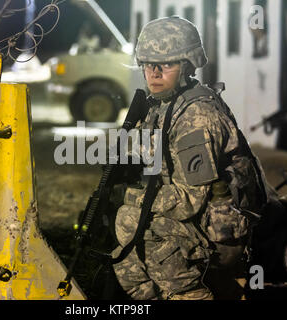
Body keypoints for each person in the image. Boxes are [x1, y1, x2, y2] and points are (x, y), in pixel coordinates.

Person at [111, 16, 272, 300]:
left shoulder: (196, 117)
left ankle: (192, 294)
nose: (155, 73)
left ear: (187, 65)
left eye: (167, 64)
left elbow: (187, 202)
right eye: (148, 64)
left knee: (137, 223)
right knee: (124, 229)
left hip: (223, 235)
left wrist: (132, 194)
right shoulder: (162, 106)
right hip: (199, 224)